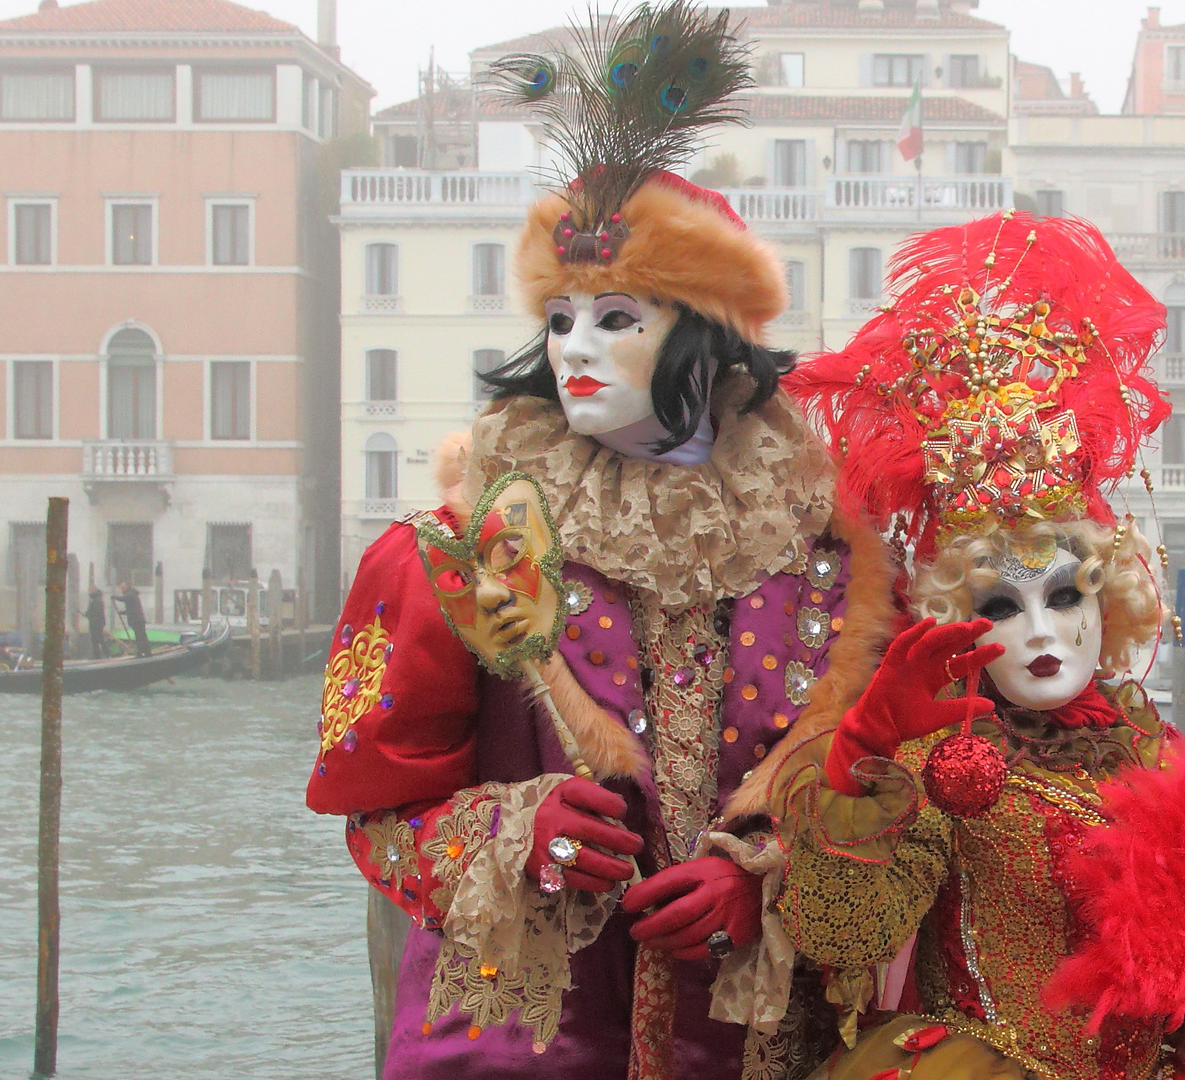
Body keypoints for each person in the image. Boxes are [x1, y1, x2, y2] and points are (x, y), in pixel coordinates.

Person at [305, 7, 897, 1078]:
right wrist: (516, 837)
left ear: (709, 337)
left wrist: (767, 880)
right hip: (518, 1048)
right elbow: (378, 820)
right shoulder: (450, 554)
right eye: (561, 317)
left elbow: (898, 805)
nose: (576, 348)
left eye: (619, 318)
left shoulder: (841, 568)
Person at [772, 212, 1185, 1080]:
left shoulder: (1148, 751)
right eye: (1002, 607)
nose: (1043, 632)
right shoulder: (941, 764)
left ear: (1109, 601)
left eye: (1062, 595)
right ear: (956, 621)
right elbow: (838, 935)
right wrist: (861, 759)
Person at [118, 580, 151, 658]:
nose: (121, 590)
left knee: (140, 637)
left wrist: (114, 597)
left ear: (126, 588)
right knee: (140, 636)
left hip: (137, 620)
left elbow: (123, 598)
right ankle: (144, 651)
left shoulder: (130, 594)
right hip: (136, 619)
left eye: (122, 588)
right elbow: (131, 609)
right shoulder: (132, 595)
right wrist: (123, 612)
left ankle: (144, 652)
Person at [85, 586, 107, 659]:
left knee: (97, 639)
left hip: (96, 623)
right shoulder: (95, 599)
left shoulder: (96, 600)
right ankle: (100, 654)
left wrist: (89, 615)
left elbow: (97, 612)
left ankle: (100, 655)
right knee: (98, 639)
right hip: (96, 622)